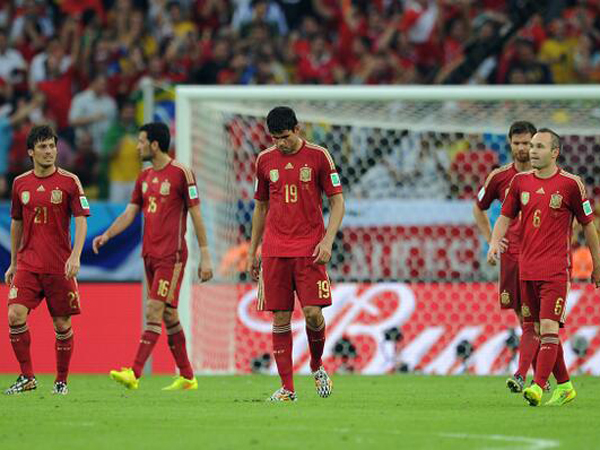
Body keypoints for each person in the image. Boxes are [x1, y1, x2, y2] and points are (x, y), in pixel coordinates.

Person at [93, 122, 213, 390]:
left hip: (172, 256)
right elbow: (129, 213)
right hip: (150, 254)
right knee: (169, 315)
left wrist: (205, 255)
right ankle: (187, 377)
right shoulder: (144, 177)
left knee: (154, 310)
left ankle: (134, 373)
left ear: (155, 144)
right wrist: (108, 235)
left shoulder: (182, 173)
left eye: (141, 141)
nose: (137, 146)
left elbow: (196, 215)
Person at [488, 128, 600, 407]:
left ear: (554, 152)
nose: (532, 151)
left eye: (539, 146)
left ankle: (537, 386)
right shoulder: (519, 182)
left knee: (549, 327)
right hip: (526, 268)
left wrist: (598, 264)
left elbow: (589, 227)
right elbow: (504, 216)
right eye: (531, 146)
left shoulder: (570, 185)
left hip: (556, 270)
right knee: (535, 328)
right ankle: (565, 387)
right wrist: (493, 242)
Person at [246, 106, 345, 401]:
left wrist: (327, 241)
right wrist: (253, 251)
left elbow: (337, 203)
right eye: (275, 138)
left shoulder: (318, 156)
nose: (280, 143)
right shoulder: (264, 160)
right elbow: (261, 207)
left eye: (285, 137)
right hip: (275, 249)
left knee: (314, 314)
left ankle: (316, 365)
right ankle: (288, 388)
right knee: (280, 318)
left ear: (297, 129)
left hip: (309, 248)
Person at [4, 125, 90, 395]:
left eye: (52, 146)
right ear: (31, 152)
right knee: (14, 315)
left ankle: (61, 381)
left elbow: (81, 220)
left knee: (62, 324)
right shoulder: (20, 183)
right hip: (28, 263)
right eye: (42, 147)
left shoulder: (69, 181)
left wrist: (75, 255)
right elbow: (16, 222)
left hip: (58, 265)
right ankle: (27, 377)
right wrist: (14, 262)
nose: (49, 151)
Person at [473, 121, 540, 393]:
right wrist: (492, 239)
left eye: (528, 143)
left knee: (537, 321)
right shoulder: (499, 177)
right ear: (510, 144)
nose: (522, 148)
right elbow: (479, 208)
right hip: (511, 257)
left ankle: (528, 376)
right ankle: (542, 377)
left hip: (541, 255)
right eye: (518, 143)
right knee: (526, 320)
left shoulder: (551, 177)